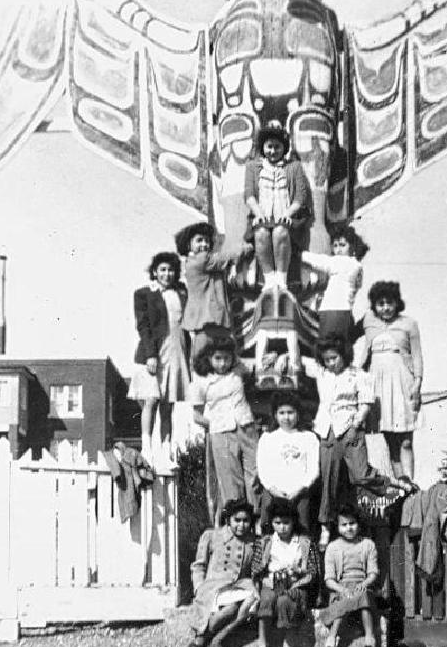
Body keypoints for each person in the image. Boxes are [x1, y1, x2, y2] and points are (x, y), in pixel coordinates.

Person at [300, 334, 401, 551]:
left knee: (360, 474)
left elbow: (365, 401)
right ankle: (326, 525)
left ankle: (392, 486)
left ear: (343, 355)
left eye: (334, 358)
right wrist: (283, 359)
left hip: (350, 428)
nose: (331, 363)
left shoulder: (357, 375)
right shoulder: (322, 373)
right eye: (326, 359)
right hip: (328, 431)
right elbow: (300, 362)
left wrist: (357, 422)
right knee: (329, 478)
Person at [355, 281, 423, 484]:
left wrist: (417, 383)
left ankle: (411, 484)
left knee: (405, 440)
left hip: (402, 382)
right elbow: (348, 333)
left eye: (389, 303)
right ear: (374, 306)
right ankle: (401, 484)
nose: (385, 307)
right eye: (380, 303)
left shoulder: (409, 324)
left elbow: (417, 355)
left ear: (397, 303)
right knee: (391, 441)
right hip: (377, 385)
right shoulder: (368, 320)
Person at [190, 327, 260, 519]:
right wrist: (215, 425)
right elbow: (196, 416)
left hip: (246, 427)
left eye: (226, 358)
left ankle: (257, 523)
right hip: (221, 433)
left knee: (254, 476)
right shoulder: (200, 381)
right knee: (231, 483)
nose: (222, 363)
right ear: (209, 358)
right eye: (218, 358)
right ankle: (238, 525)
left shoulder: (238, 369)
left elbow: (257, 366)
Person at [128, 251, 189, 457]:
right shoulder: (144, 293)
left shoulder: (182, 293)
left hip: (175, 351)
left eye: (171, 269)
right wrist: (150, 355)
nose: (167, 273)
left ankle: (165, 449)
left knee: (168, 404)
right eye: (162, 269)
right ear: (155, 271)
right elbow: (143, 326)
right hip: (153, 353)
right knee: (151, 400)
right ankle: (147, 448)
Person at [185, 499, 258, 647]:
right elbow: (199, 565)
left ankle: (217, 638)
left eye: (246, 521)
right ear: (228, 520)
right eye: (237, 520)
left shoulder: (253, 541)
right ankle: (201, 637)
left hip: (239, 585)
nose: (241, 525)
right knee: (231, 608)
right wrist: (199, 587)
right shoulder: (213, 536)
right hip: (214, 586)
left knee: (253, 600)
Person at [244, 125, 311, 289]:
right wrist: (258, 213)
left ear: (284, 148)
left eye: (277, 147)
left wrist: (288, 214)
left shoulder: (294, 167)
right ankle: (269, 279)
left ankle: (281, 278)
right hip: (262, 216)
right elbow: (249, 195)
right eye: (269, 147)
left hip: (287, 219)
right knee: (260, 232)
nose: (273, 151)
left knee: (281, 230)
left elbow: (300, 197)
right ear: (263, 147)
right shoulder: (253, 167)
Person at [251, 498, 318, 647]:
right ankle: (263, 643)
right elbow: (255, 567)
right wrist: (263, 572)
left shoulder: (303, 543)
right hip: (271, 582)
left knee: (285, 602)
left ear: (294, 522)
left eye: (286, 523)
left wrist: (298, 571)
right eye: (277, 522)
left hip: (296, 583)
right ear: (272, 523)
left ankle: (288, 644)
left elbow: (313, 571)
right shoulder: (266, 542)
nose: (282, 527)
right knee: (266, 599)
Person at [175, 221, 252, 356]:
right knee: (208, 359)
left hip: (208, 320)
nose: (204, 244)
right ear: (188, 245)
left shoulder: (193, 262)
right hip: (209, 318)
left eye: (206, 241)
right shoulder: (201, 260)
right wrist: (247, 246)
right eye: (199, 241)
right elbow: (227, 256)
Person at [321, 504, 380, 647]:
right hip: (341, 588)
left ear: (359, 524)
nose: (349, 528)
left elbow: (373, 572)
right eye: (344, 525)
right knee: (345, 599)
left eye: (352, 523)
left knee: (364, 598)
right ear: (338, 527)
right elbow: (329, 579)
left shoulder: (368, 544)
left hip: (362, 585)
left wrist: (366, 583)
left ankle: (369, 640)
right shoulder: (333, 547)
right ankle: (331, 642)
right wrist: (341, 589)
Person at [256, 390, 319, 534]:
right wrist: (273, 489)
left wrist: (300, 489)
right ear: (275, 415)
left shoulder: (309, 437)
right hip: (274, 492)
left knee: (301, 531)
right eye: (282, 413)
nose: (286, 417)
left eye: (290, 412)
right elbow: (263, 469)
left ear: (298, 413)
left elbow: (313, 470)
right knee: (269, 529)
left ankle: (302, 555)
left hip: (300, 492)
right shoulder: (268, 438)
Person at [301, 223, 368, 339]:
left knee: (327, 345)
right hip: (345, 311)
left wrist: (300, 254)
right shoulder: (357, 266)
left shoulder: (343, 262)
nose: (338, 249)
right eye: (335, 246)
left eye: (342, 245)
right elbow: (358, 285)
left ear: (352, 246)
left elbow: (319, 261)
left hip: (331, 311)